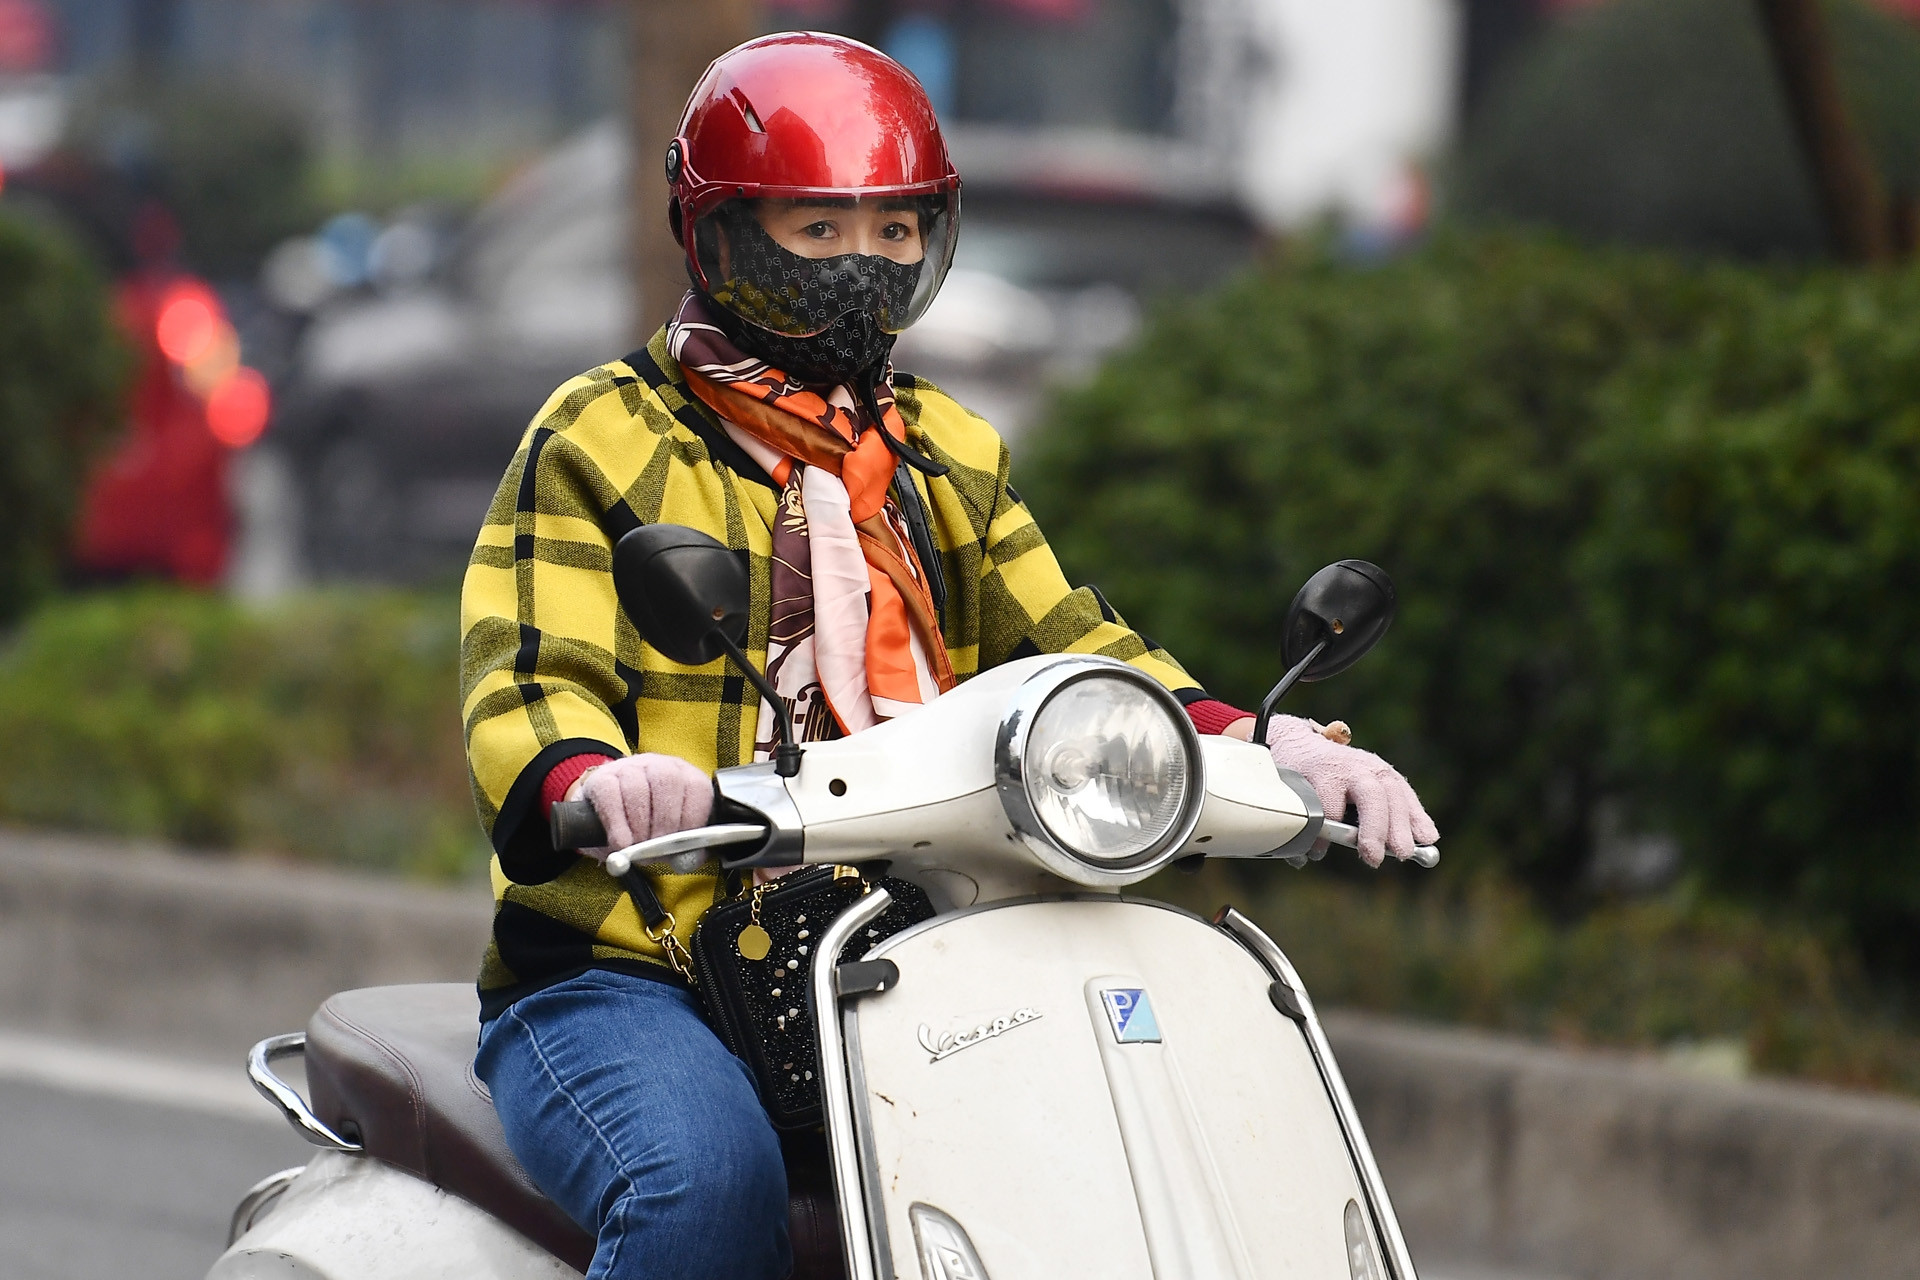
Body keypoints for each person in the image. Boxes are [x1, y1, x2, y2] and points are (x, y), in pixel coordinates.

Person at [459, 31, 1437, 1280]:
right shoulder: (603, 435)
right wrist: (596, 779)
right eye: (819, 229)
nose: (862, 265)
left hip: (913, 950)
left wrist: (1270, 740)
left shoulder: (945, 454)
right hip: (631, 963)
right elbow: (529, 672)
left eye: (895, 231)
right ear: (724, 233)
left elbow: (1075, 648)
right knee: (705, 1184)